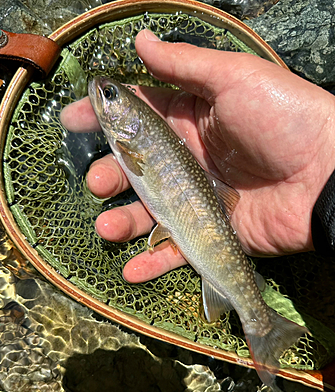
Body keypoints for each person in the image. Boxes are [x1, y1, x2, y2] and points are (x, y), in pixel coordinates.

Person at [60, 29, 335, 283]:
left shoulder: (128, 142)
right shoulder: (129, 141)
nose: (101, 90)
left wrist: (322, 152)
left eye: (109, 95)